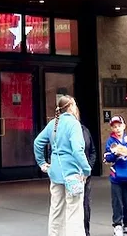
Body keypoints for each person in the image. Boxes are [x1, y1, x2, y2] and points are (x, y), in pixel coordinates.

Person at [34, 94, 91, 236]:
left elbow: (37, 143)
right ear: (71, 107)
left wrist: (42, 163)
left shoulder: (53, 123)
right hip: (72, 174)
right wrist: (87, 169)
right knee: (74, 212)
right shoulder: (74, 124)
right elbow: (77, 150)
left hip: (55, 172)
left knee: (56, 210)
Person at [104, 116, 127, 236]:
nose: (117, 129)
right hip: (116, 175)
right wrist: (115, 154)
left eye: (119, 126)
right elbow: (107, 158)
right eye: (114, 126)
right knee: (117, 201)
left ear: (124, 126)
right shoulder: (111, 141)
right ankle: (117, 225)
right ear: (112, 128)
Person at [81, 119, 97, 236]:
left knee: (85, 204)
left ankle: (86, 231)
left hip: (85, 175)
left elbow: (92, 151)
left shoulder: (84, 130)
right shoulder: (58, 129)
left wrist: (88, 169)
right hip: (69, 175)